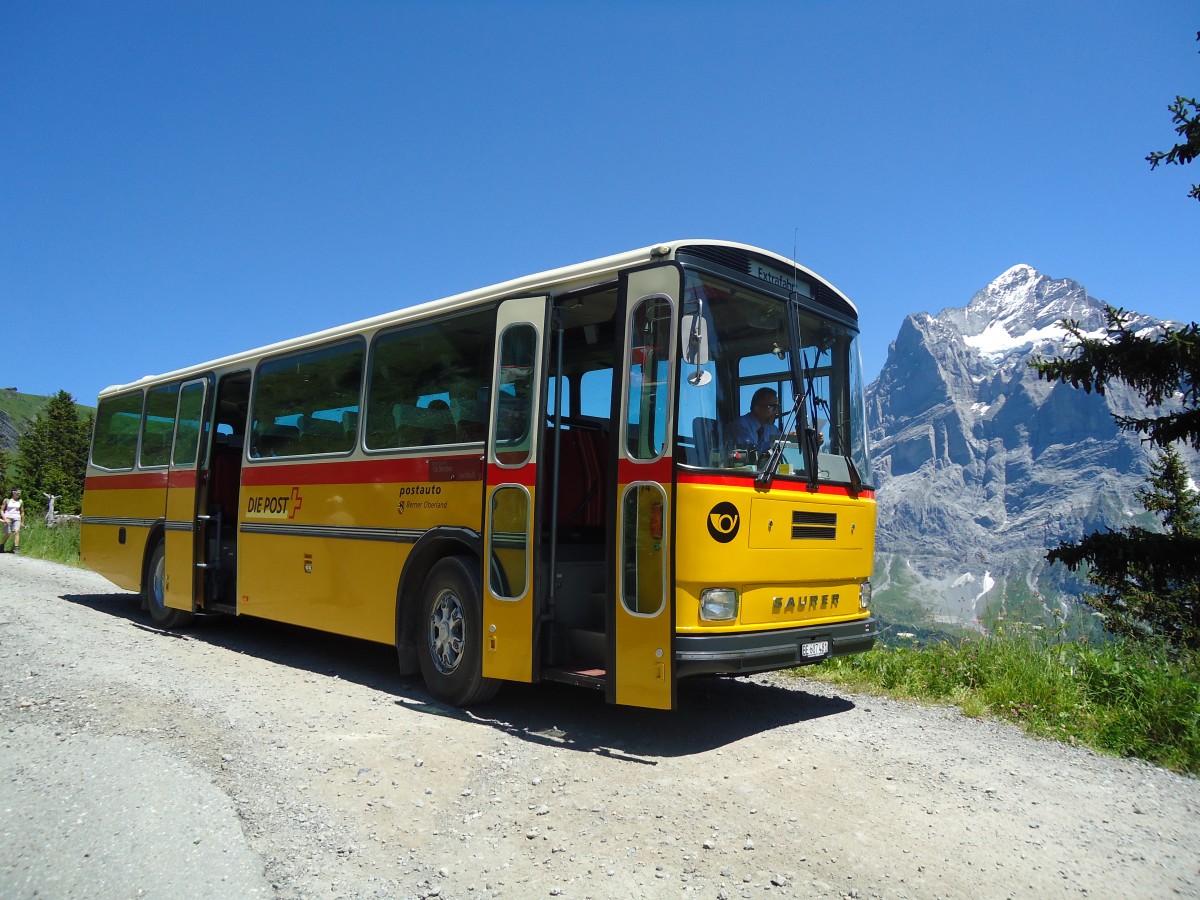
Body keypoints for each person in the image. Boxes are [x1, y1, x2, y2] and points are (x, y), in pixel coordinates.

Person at [728, 387, 782, 453]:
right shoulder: (740, 425)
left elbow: (783, 445)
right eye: (772, 408)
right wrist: (773, 443)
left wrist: (791, 438)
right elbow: (750, 451)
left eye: (777, 407)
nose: (776, 412)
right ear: (757, 408)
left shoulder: (772, 429)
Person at [1, 488, 23, 554]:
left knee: (16, 532)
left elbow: (22, 512)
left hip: (17, 518)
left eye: (19, 493)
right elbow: (2, 510)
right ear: (13, 493)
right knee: (8, 533)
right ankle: (2, 545)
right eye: (18, 493)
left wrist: (22, 522)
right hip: (7, 517)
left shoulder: (20, 501)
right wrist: (4, 519)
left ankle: (16, 548)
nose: (19, 494)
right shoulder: (7, 500)